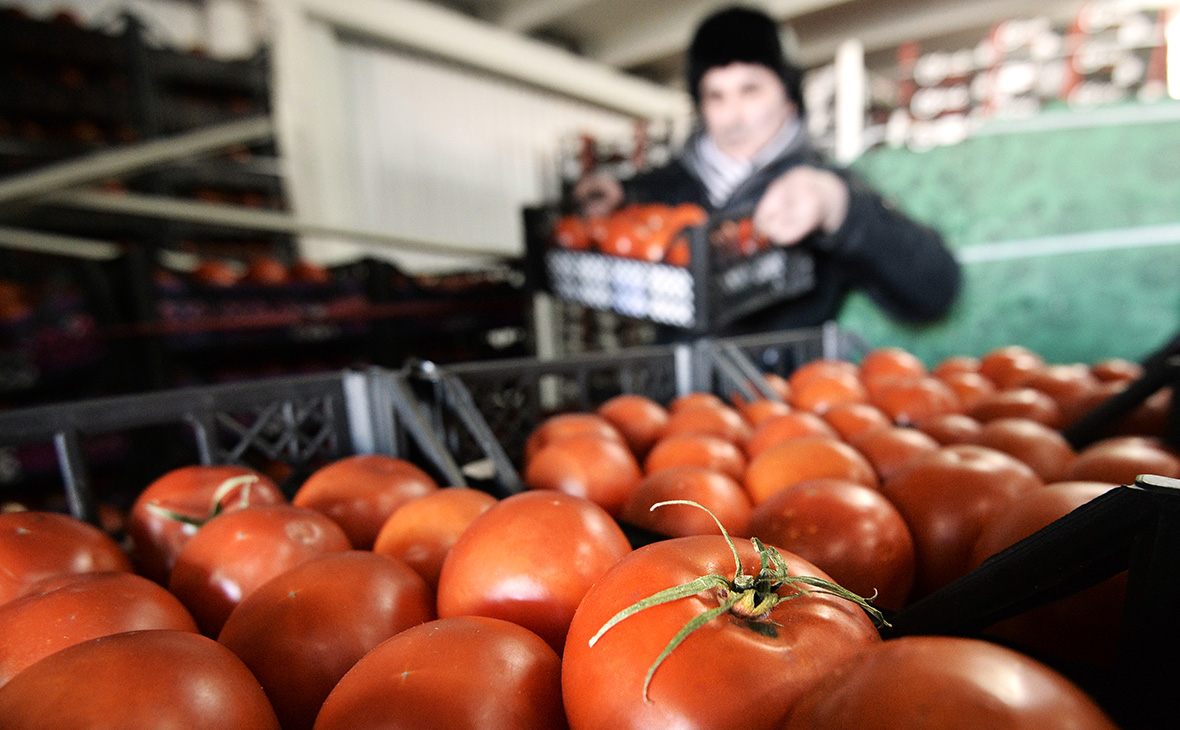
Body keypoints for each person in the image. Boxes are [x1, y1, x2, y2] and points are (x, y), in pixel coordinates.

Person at [574, 6, 960, 335]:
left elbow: (933, 290)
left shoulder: (820, 186)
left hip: (784, 409)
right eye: (716, 95)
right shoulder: (669, 186)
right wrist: (622, 197)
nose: (734, 117)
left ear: (789, 99)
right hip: (682, 409)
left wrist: (839, 207)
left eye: (750, 90)